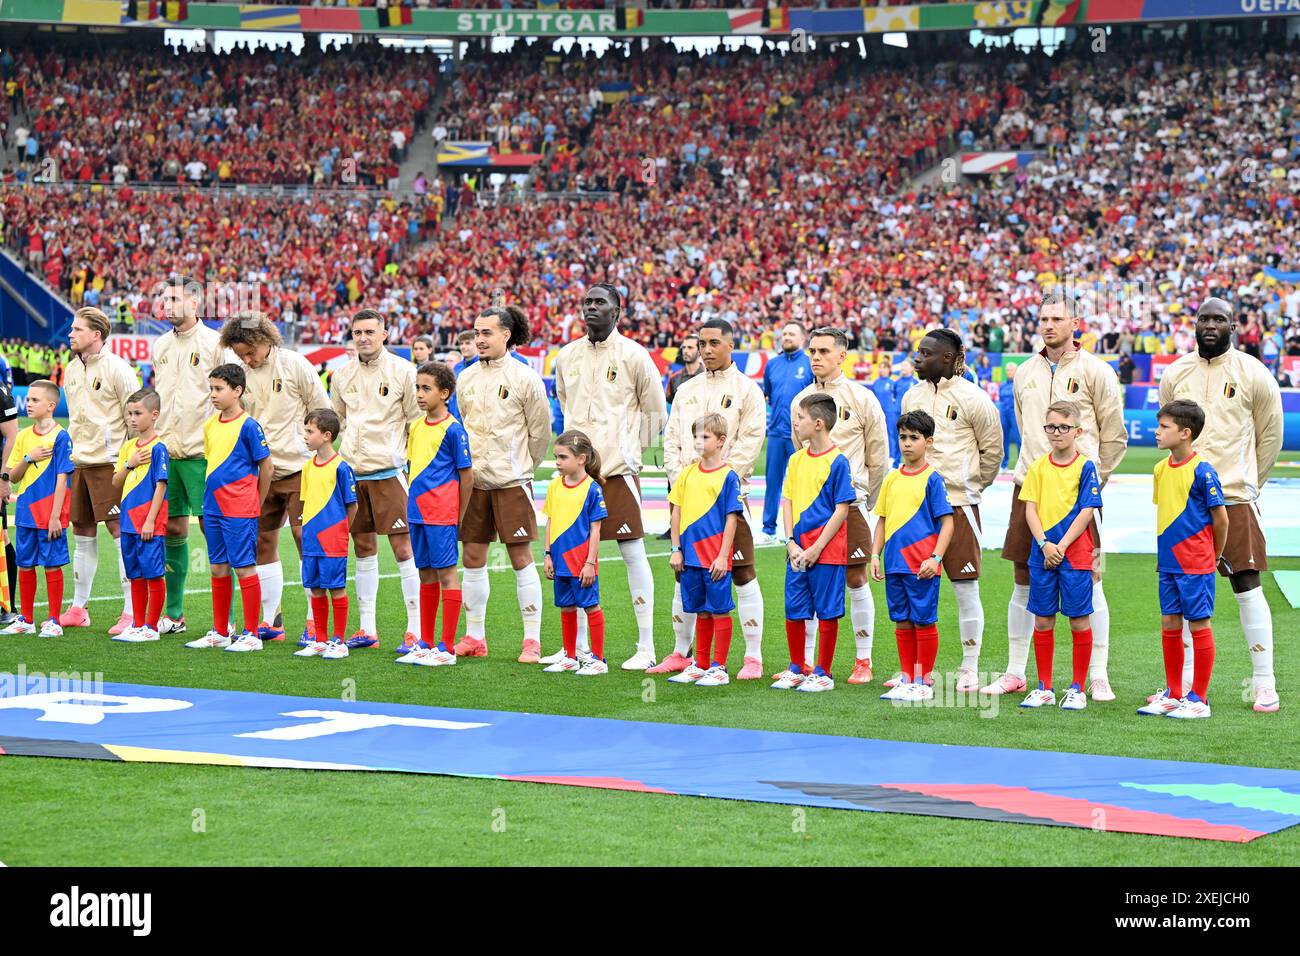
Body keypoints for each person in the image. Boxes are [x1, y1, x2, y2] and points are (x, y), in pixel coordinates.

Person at [984, 291, 1127, 702]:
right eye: (1043, 318)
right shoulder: (1024, 370)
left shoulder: (1096, 371)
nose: (1048, 325)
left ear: (1075, 323)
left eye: (1057, 319)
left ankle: (1097, 674)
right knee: (1024, 578)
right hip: (1029, 487)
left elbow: (1114, 434)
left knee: (1090, 577)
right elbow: (1023, 428)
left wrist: (1090, 478)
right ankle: (1016, 671)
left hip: (1079, 492)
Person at [1158, 297, 1283, 713]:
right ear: (1194, 324)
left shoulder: (1253, 373)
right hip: (1183, 506)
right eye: (1204, 319)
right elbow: (1170, 431)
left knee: (1247, 587)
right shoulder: (1176, 372)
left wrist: (1249, 484)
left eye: (1219, 319)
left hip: (1234, 497)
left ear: (1233, 325)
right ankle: (1185, 686)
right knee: (1184, 594)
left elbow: (1270, 437)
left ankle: (1264, 682)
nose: (1210, 325)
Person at [550, 284, 667, 670]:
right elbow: (564, 401)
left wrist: (631, 451)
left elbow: (654, 413)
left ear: (618, 310)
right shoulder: (567, 356)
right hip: (576, 478)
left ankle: (646, 646)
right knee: (573, 559)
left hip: (617, 472)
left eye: (600, 303)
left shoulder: (634, 355)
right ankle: (577, 649)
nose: (591, 308)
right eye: (587, 302)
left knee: (633, 553)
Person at [655, 319, 766, 679]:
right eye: (701, 342)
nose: (706, 349)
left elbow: (751, 439)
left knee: (742, 571)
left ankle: (752, 656)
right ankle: (681, 652)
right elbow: (671, 438)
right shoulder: (686, 389)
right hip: (688, 493)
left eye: (714, 342)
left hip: (727, 497)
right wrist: (679, 477)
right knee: (685, 573)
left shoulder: (747, 390)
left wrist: (722, 479)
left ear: (731, 345)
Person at [898, 329, 1002, 691]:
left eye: (924, 353)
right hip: (914, 509)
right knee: (912, 589)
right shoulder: (912, 395)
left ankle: (969, 667)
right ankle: (912, 670)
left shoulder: (974, 398)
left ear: (946, 358)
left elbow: (993, 452)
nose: (917, 358)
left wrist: (971, 486)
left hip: (959, 506)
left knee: (964, 588)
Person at [221, 314, 330, 645]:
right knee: (262, 542)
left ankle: (315, 621)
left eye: (248, 352)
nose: (246, 359)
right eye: (240, 354)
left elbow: (323, 411)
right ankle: (272, 620)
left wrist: (312, 449)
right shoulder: (241, 375)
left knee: (304, 539)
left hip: (299, 468)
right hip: (260, 470)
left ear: (263, 341)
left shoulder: (295, 364)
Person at [788, 327, 888, 684]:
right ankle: (807, 663)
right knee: (809, 579)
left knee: (856, 578)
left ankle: (864, 660)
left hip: (851, 503)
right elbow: (798, 453)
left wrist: (868, 501)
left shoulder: (862, 398)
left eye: (824, 351)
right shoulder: (800, 399)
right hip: (809, 509)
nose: (815, 357)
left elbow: (879, 455)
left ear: (842, 356)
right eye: (812, 350)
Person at [452, 305, 551, 662]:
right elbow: (464, 422)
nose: (479, 339)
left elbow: (540, 432)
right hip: (474, 481)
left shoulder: (525, 378)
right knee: (473, 556)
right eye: (476, 333)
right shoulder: (465, 378)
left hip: (512, 481)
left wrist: (522, 466)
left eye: (486, 333)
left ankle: (532, 640)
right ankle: (475, 636)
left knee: (521, 558)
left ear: (506, 335)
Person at [330, 309, 423, 650]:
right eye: (358, 332)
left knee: (403, 548)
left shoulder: (403, 371)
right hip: (353, 473)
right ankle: (367, 629)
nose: (364, 337)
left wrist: (412, 468)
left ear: (385, 334)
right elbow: (336, 421)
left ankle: (415, 628)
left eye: (370, 331)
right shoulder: (341, 375)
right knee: (363, 548)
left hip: (390, 473)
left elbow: (417, 423)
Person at [1137, 400, 1227, 719]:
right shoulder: (1160, 469)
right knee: (1169, 624)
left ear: (1185, 433)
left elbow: (1221, 519)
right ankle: (1174, 693)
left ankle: (1199, 698)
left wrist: (1212, 556)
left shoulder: (1203, 471)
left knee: (1199, 624)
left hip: (1197, 563)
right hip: (1168, 563)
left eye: (1164, 427)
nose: (1157, 432)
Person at [152, 277, 226, 636]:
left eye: (175, 299)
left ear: (195, 304)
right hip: (169, 453)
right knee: (172, 529)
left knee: (212, 530)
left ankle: (222, 621)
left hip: (203, 454)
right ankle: (175, 615)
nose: (167, 305)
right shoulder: (160, 345)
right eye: (164, 299)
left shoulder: (215, 344)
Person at [1017, 401, 1102, 712]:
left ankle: (1078, 687)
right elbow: (1030, 509)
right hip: (1042, 555)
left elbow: (1087, 510)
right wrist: (1044, 545)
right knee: (1043, 620)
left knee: (1079, 620)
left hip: (1076, 555)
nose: (1057, 433)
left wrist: (1061, 546)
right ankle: (1045, 687)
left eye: (1064, 427)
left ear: (1077, 431)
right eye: (1051, 427)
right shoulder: (1038, 467)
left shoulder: (1086, 466)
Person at [60, 307, 139, 634]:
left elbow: (136, 416)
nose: (70, 334)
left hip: (110, 463)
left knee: (120, 533)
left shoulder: (118, 369)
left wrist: (129, 460)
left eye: (77, 329)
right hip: (80, 461)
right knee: (82, 532)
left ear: (96, 334)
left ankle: (131, 609)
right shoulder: (69, 370)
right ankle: (79, 607)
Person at [184, 364, 272, 651]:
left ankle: (251, 635)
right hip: (213, 508)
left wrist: (255, 501)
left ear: (237, 391)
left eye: (219, 389)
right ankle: (221, 631)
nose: (213, 394)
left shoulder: (249, 426)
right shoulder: (210, 425)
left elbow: (266, 467)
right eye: (211, 388)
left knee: (244, 567)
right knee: (218, 566)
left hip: (239, 509)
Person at [771, 393, 854, 692]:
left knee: (827, 610)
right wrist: (791, 542)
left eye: (801, 418)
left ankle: (823, 672)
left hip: (827, 552)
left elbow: (842, 509)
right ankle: (797, 667)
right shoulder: (795, 460)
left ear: (818, 423)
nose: (795, 422)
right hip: (797, 551)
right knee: (794, 608)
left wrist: (817, 547)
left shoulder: (839, 461)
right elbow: (788, 501)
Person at [871, 411, 954, 704]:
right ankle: (907, 677)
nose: (907, 443)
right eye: (903, 437)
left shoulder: (933, 479)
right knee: (902, 621)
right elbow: (882, 519)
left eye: (914, 438)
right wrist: (875, 554)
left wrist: (935, 558)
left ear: (928, 442)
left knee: (923, 621)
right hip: (894, 564)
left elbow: (947, 522)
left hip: (922, 566)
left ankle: (923, 679)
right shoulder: (892, 478)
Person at [394, 362, 472, 666]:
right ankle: (425, 642)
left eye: (426, 388)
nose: (420, 394)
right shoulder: (415, 427)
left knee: (447, 574)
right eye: (417, 387)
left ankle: (447, 647)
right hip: (417, 513)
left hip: (443, 514)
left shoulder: (454, 430)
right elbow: (414, 468)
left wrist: (459, 516)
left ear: (445, 393)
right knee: (424, 574)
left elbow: (467, 476)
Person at [665, 413, 743, 687]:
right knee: (700, 610)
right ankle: (700, 664)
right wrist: (676, 548)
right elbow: (676, 512)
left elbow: (732, 518)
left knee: (719, 609)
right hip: (690, 558)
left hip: (715, 559)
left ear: (721, 441)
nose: (698, 441)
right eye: (696, 436)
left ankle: (719, 668)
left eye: (705, 437)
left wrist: (723, 556)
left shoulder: (729, 477)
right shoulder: (686, 473)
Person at [0, 380, 73, 637]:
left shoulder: (61, 436)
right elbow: (14, 475)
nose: (28, 404)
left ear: (51, 405)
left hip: (50, 514)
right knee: (25, 564)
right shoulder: (22, 436)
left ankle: (54, 620)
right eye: (28, 399)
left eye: (35, 400)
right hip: (26, 515)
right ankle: (27, 619)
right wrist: (29, 457)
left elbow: (64, 478)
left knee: (52, 565)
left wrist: (56, 516)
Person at [540, 430, 610, 676]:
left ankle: (598, 659)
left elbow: (596, 529)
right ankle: (570, 656)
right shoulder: (554, 486)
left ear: (581, 459)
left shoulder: (592, 489)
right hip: (560, 562)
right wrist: (547, 554)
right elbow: (550, 521)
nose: (557, 462)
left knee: (591, 606)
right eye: (556, 457)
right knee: (566, 607)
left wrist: (590, 562)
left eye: (562, 457)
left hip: (582, 563)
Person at [292, 409, 357, 661]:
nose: (305, 436)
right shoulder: (308, 467)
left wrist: (340, 532)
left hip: (332, 541)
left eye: (310, 431)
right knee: (316, 589)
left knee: (336, 588)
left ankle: (339, 641)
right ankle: (320, 640)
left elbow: (352, 505)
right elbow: (308, 501)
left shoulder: (341, 468)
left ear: (327, 436)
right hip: (311, 540)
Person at [109, 388, 169, 643]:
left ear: (154, 415)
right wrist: (129, 463)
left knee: (153, 573)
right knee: (134, 573)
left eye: (138, 413)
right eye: (129, 413)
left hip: (149, 524)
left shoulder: (159, 448)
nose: (132, 418)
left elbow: (161, 485)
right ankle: (137, 623)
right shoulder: (128, 448)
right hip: (129, 523)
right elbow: (115, 482)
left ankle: (152, 627)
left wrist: (149, 520)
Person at [760, 321, 811, 541]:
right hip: (775, 434)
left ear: (802, 338)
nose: (787, 337)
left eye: (792, 334)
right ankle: (768, 529)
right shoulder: (772, 365)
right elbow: (769, 394)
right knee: (772, 481)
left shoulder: (810, 364)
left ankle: (801, 529)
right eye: (784, 334)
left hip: (801, 435)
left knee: (802, 482)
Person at [0, 367, 18, 624]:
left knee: (1, 538)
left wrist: (4, 477)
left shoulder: (2, 394)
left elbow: (13, 435)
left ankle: (7, 606)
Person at [664, 334, 702, 407]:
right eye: (684, 347)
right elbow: (669, 406)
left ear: (699, 351)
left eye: (690, 347)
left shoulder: (708, 376)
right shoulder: (674, 378)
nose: (685, 351)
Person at [999, 363, 1020, 469]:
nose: (1009, 372)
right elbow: (1000, 400)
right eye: (1007, 370)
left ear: (1016, 371)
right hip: (1004, 414)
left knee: (1018, 439)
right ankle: (1004, 464)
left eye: (1011, 370)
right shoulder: (1002, 385)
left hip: (1015, 414)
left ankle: (1020, 465)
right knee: (1004, 439)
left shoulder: (1018, 384)